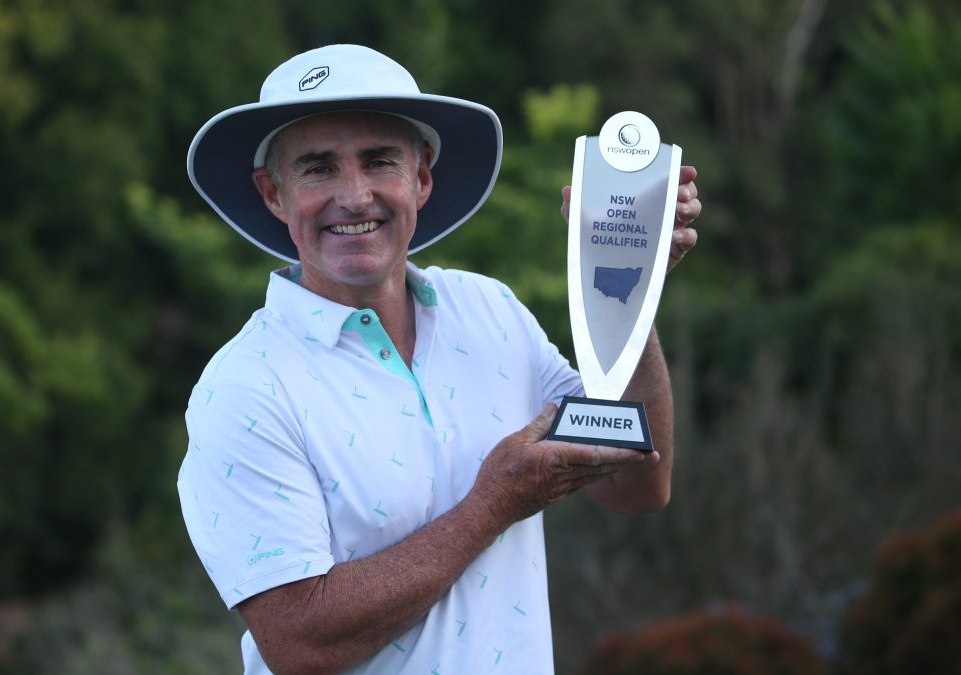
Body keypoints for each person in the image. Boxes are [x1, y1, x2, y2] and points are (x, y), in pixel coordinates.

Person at [178, 44, 701, 674]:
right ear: (274, 193)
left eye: (380, 162)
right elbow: (298, 643)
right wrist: (491, 506)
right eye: (318, 169)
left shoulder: (489, 309)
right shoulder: (244, 387)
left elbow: (636, 482)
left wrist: (627, 289)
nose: (354, 195)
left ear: (421, 177)